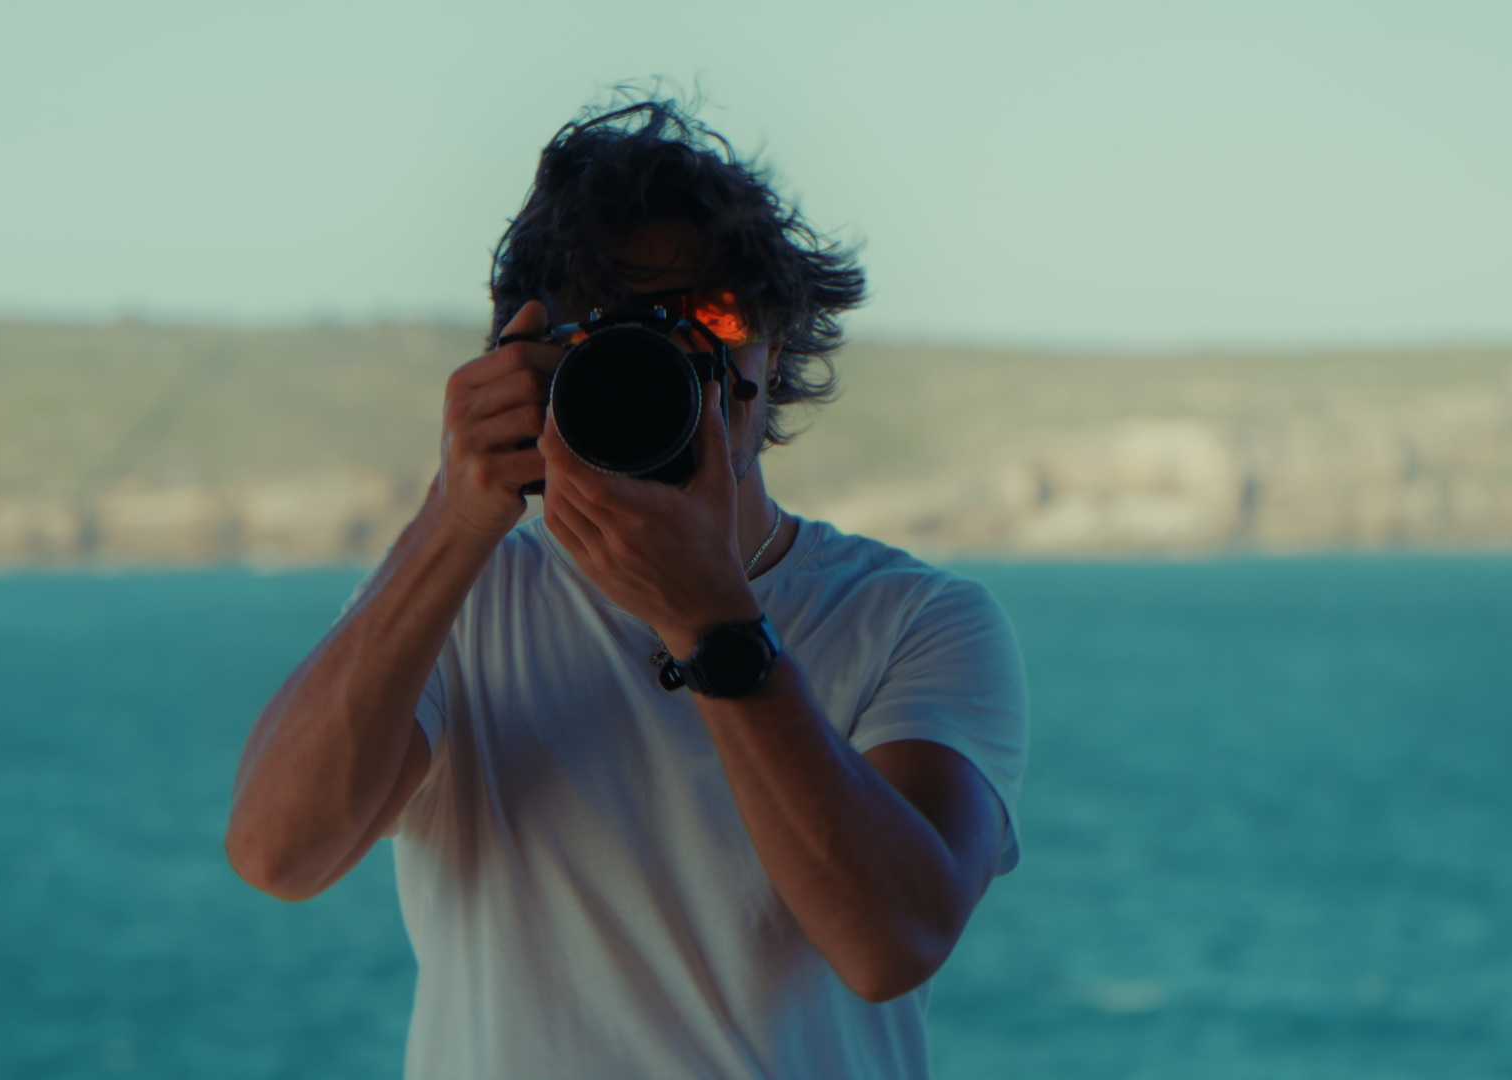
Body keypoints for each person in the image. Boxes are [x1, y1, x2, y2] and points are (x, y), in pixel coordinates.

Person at [225, 96, 1029, 1080]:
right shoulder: (463, 598)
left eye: (710, 319)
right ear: (534, 360)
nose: (672, 358)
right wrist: (450, 520)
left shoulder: (917, 621)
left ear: (772, 352)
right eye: (610, 330)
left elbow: (891, 941)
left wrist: (716, 622)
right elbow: (278, 854)